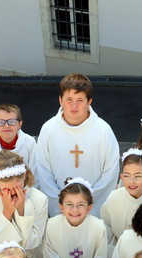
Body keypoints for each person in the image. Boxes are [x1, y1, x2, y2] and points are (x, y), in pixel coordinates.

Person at [35, 73, 120, 217]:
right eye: (69, 99)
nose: (74, 106)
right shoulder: (49, 129)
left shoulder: (103, 130)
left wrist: (89, 206)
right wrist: (60, 206)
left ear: (89, 102)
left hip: (93, 209)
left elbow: (110, 173)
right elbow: (43, 172)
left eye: (80, 100)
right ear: (60, 100)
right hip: (59, 209)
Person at [42, 178, 108, 258]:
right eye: (69, 204)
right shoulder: (51, 226)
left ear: (89, 207)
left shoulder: (98, 227)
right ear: (61, 207)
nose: (75, 210)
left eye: (81, 205)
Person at [0, 103, 47, 192]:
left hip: (26, 193)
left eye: (12, 121)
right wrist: (5, 194)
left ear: (20, 124)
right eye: (1, 122)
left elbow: (35, 174)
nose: (6, 126)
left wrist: (23, 193)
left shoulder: (30, 143)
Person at [101, 148, 142, 246]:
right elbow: (106, 229)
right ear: (121, 177)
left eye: (137, 176)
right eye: (127, 176)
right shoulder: (113, 198)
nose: (131, 181)